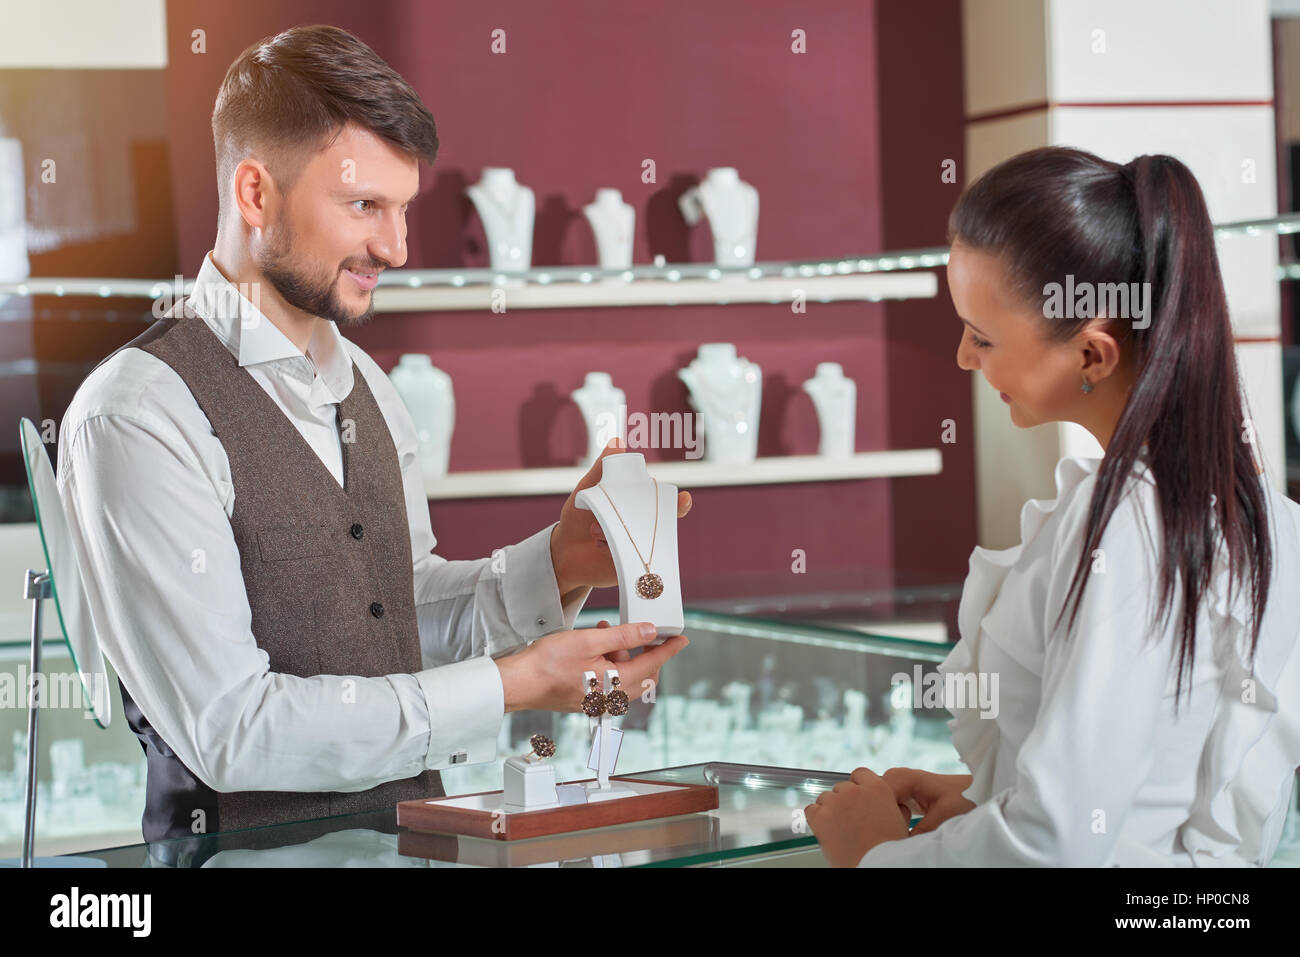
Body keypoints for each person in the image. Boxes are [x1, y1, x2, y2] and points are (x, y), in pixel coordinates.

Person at [56, 24, 690, 849]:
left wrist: (559, 562)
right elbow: (231, 726)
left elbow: (397, 616)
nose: (393, 248)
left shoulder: (368, 386)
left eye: (402, 211)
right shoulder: (136, 414)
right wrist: (514, 683)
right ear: (255, 193)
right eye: (364, 207)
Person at [806, 146, 1300, 867]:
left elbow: (1057, 843)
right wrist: (985, 798)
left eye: (983, 336)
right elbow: (1171, 785)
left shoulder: (1126, 526)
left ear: (1092, 355)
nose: (964, 359)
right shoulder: (1264, 513)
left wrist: (875, 854)